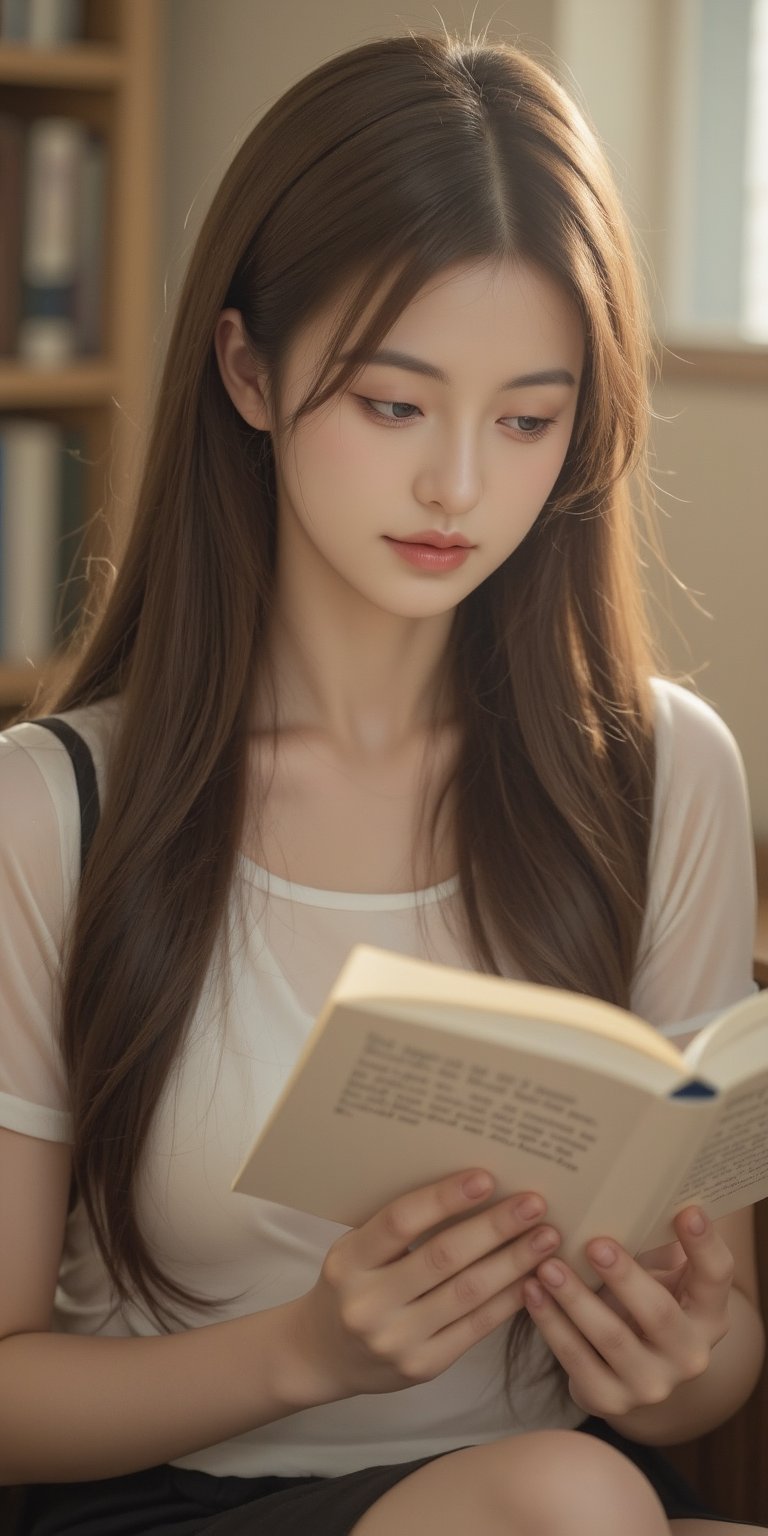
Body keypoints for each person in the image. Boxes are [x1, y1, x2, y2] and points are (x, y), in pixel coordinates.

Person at [0, 25, 763, 1536]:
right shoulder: (52, 808)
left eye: (529, 420)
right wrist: (305, 1354)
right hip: (171, 1506)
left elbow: (710, 1374)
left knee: (581, 1489)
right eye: (393, 405)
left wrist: (676, 1360)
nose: (459, 489)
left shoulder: (664, 770)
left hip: (561, 1495)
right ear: (250, 371)